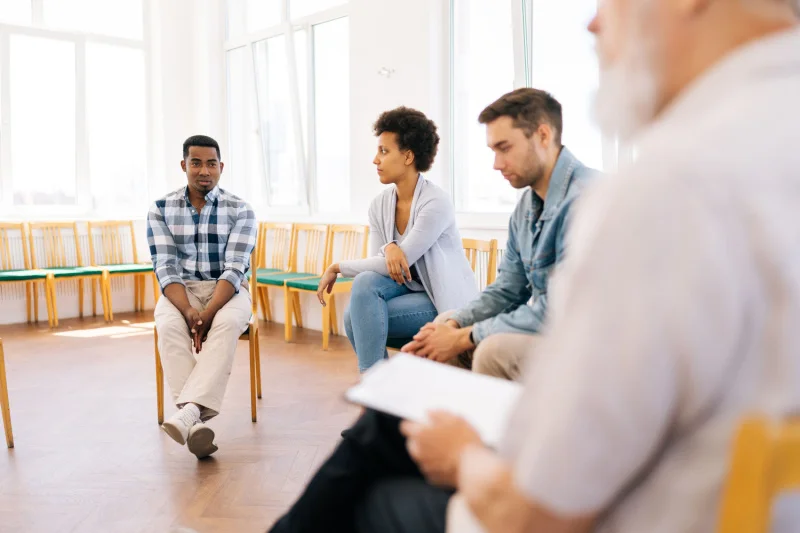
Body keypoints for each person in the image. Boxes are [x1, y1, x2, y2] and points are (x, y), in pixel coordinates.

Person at [267, 0, 800, 531]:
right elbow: (508, 288)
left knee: (379, 474)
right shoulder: (763, 140)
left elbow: (539, 510)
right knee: (389, 416)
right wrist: (455, 323)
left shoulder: (664, 187)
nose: (593, 21)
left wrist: (464, 454)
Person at [401, 88, 594, 381]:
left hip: (597, 342)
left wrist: (467, 336)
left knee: (494, 350)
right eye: (493, 151)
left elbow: (561, 310)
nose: (497, 164)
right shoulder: (526, 209)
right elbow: (508, 288)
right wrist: (455, 323)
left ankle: (498, 426)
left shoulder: (589, 200)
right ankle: (464, 421)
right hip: (554, 333)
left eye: (505, 148)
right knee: (445, 322)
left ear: (543, 135)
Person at [317, 107, 478, 373]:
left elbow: (403, 259)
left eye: (383, 151)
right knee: (364, 286)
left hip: (443, 303)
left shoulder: (434, 202)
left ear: (408, 156)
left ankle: (375, 390)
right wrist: (388, 248)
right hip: (409, 292)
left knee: (352, 317)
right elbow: (379, 267)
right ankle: (379, 387)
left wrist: (337, 267)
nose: (375, 160)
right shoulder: (380, 204)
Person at [148, 135, 256, 459]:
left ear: (221, 167)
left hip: (228, 291)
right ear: (184, 166)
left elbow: (236, 269)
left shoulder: (242, 210)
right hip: (180, 291)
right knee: (168, 329)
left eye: (211, 163)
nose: (204, 170)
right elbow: (165, 268)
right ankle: (194, 425)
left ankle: (188, 412)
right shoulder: (160, 210)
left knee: (226, 326)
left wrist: (207, 313)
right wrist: (187, 309)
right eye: (196, 163)